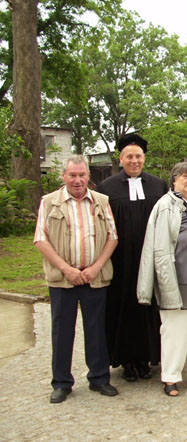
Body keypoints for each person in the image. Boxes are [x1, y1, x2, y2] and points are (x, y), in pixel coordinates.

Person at [34, 155, 119, 403]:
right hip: (63, 279)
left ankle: (99, 378)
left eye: (82, 175)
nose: (78, 180)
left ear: (88, 176)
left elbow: (112, 237)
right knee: (62, 331)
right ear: (64, 176)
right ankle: (61, 383)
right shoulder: (49, 202)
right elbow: (40, 239)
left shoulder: (101, 201)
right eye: (72, 175)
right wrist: (66, 269)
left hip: (95, 276)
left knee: (96, 330)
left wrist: (96, 267)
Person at [137, 162, 187, 397]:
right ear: (174, 180)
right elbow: (159, 248)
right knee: (174, 329)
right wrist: (163, 280)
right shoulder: (166, 206)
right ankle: (170, 377)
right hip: (177, 278)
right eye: (185, 177)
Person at [96, 133, 168, 382]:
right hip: (121, 260)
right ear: (121, 158)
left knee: (150, 307)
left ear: (144, 158)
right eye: (129, 156)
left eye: (138, 156)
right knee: (124, 307)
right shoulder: (107, 187)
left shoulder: (158, 185)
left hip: (152, 258)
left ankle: (148, 358)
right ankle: (127, 360)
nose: (134, 161)